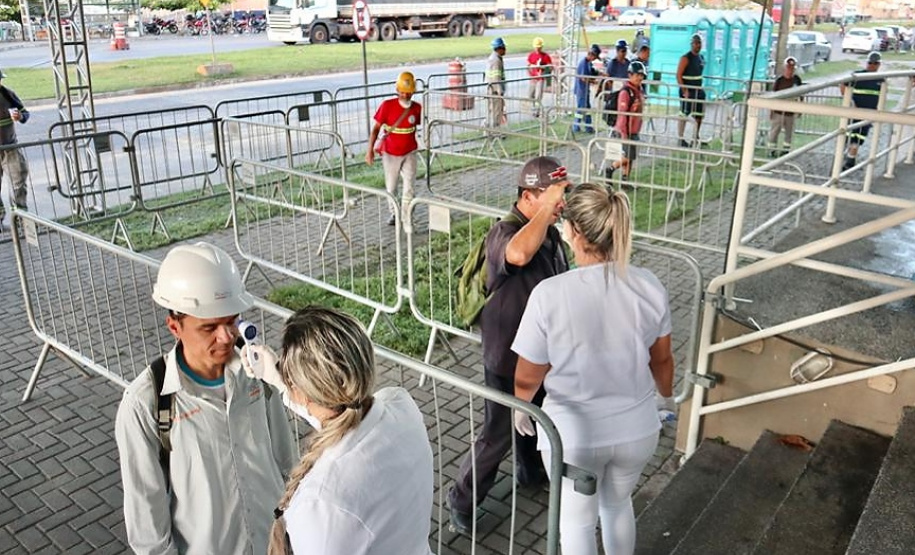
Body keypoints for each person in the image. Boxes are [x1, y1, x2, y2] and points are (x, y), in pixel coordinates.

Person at [512, 183, 674, 555]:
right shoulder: (649, 285)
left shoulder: (550, 293)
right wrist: (666, 398)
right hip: (637, 428)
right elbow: (662, 359)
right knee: (617, 506)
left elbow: (529, 373)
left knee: (577, 523)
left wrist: (521, 408)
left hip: (573, 436)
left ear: (574, 232)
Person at [115, 242, 297, 555]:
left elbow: (286, 462)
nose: (225, 337)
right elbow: (148, 526)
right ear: (175, 326)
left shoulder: (257, 372)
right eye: (209, 327)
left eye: (231, 321)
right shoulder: (146, 403)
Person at [448, 156, 570, 536]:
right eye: (554, 195)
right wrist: (547, 211)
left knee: (537, 414)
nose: (561, 204)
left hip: (539, 353)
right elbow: (518, 255)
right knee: (498, 432)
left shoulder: (549, 233)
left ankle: (531, 470)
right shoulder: (504, 232)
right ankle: (462, 499)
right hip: (507, 357)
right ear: (529, 197)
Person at [256, 306, 434, 554]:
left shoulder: (321, 504)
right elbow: (342, 417)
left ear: (304, 392)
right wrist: (281, 383)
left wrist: (283, 384)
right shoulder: (401, 406)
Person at [366, 72, 422, 226]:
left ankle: (406, 216)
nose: (405, 95)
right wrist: (370, 150)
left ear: (413, 91)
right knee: (391, 188)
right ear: (397, 90)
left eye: (408, 92)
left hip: (410, 152)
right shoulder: (387, 106)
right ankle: (394, 213)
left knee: (409, 187)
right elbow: (375, 129)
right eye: (402, 91)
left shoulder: (417, 108)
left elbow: (413, 128)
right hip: (390, 153)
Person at [841, 51, 884, 171]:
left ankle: (850, 159)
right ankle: (847, 159)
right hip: (855, 112)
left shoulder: (881, 79)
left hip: (868, 113)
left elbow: (882, 95)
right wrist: (848, 101)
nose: (872, 65)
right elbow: (843, 84)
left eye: (875, 63)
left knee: (859, 137)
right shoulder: (858, 75)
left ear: (878, 64)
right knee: (850, 135)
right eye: (870, 63)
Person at [606, 61, 647, 184]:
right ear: (630, 75)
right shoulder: (625, 92)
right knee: (627, 157)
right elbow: (622, 114)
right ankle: (610, 169)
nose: (640, 78)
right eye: (637, 75)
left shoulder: (639, 90)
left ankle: (625, 180)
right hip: (624, 130)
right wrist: (624, 133)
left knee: (631, 157)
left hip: (633, 129)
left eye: (641, 75)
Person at [0, 68, 30, 229]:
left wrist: (20, 116)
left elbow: (25, 114)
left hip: (10, 148)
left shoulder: (8, 95)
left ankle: (20, 218)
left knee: (19, 182)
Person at [768, 57, 803, 158]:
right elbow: (774, 96)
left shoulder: (797, 80)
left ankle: (785, 151)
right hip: (778, 112)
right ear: (784, 68)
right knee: (774, 131)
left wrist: (800, 109)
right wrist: (771, 111)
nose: (790, 71)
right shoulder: (779, 80)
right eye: (788, 68)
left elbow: (801, 94)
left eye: (792, 68)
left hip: (790, 112)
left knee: (789, 133)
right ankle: (771, 150)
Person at [677, 34, 706, 148]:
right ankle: (680, 138)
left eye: (699, 43)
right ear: (692, 44)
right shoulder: (685, 58)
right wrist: (684, 90)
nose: (697, 45)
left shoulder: (701, 58)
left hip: (698, 90)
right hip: (688, 91)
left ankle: (696, 136)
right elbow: (679, 75)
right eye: (695, 43)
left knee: (699, 114)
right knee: (684, 113)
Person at [574, 44, 602, 134]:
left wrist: (599, 74)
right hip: (581, 90)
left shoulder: (588, 63)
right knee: (582, 109)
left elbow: (592, 73)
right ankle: (579, 126)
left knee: (584, 109)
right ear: (591, 54)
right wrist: (593, 82)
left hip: (585, 90)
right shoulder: (584, 63)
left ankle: (585, 127)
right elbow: (584, 78)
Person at [527, 37, 553, 118]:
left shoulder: (545, 56)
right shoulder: (531, 55)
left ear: (541, 47)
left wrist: (543, 67)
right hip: (533, 78)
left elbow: (550, 67)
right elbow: (528, 65)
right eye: (536, 47)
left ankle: (536, 112)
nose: (537, 49)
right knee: (530, 95)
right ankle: (533, 108)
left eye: (539, 47)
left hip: (541, 79)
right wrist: (531, 68)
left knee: (538, 96)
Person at [487, 37, 507, 128]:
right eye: (504, 47)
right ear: (499, 48)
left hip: (491, 89)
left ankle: (489, 129)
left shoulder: (494, 58)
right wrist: (500, 92)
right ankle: (494, 131)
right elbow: (496, 77)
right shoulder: (496, 60)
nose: (505, 49)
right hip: (495, 91)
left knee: (492, 111)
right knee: (496, 112)